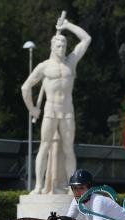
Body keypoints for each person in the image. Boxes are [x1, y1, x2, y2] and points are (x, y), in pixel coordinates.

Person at [21, 15, 91, 194]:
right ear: (52, 46)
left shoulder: (71, 62)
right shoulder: (44, 66)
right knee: (44, 146)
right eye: (58, 45)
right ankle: (38, 186)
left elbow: (86, 39)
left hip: (67, 111)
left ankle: (72, 187)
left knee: (68, 148)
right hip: (50, 110)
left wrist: (68, 25)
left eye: (64, 46)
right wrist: (32, 109)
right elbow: (25, 87)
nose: (62, 48)